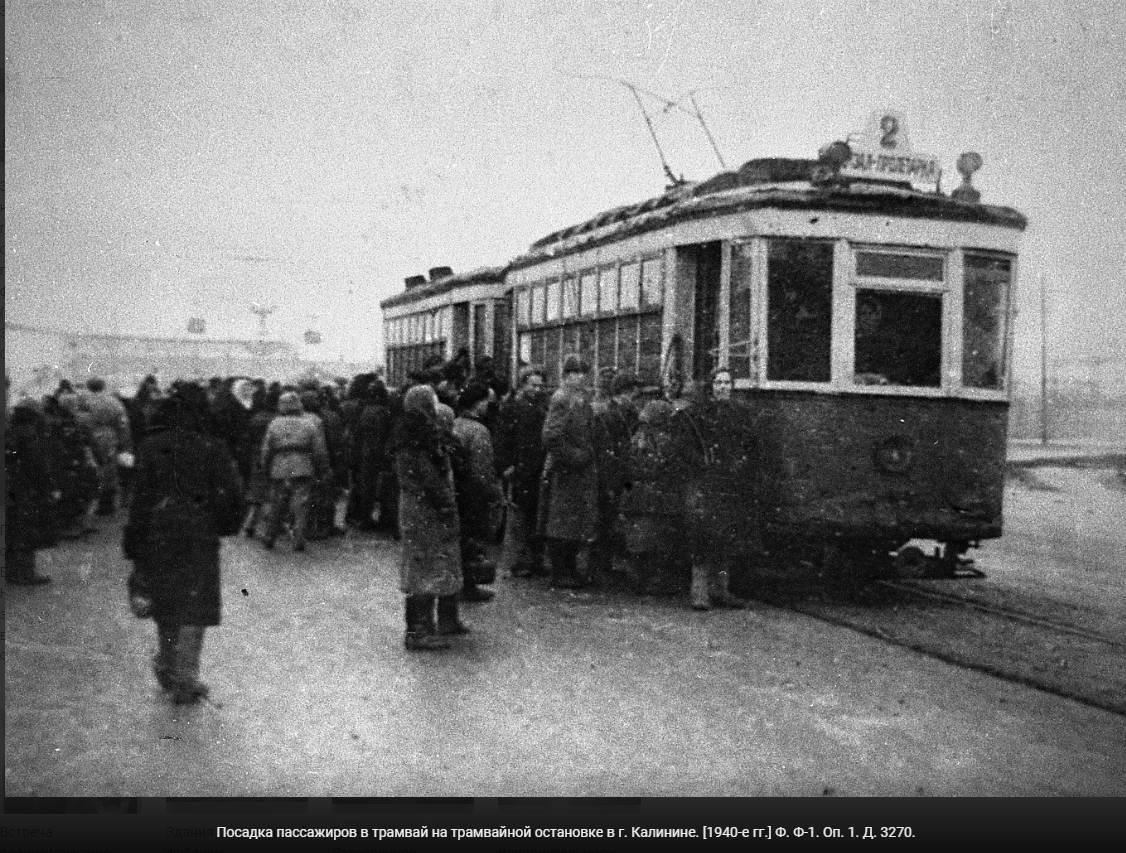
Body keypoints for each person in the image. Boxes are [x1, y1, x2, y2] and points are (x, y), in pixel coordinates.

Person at [122, 385, 244, 704]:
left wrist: (135, 541)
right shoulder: (213, 446)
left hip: (159, 529)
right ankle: (185, 678)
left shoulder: (150, 446)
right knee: (195, 603)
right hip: (199, 531)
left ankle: (168, 666)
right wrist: (223, 524)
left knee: (165, 600)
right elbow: (232, 494)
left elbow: (139, 500)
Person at [393, 384, 466, 650]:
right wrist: (447, 506)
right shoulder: (421, 440)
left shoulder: (407, 435)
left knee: (423, 565)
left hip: (415, 509)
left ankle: (422, 627)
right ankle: (418, 630)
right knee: (425, 567)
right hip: (427, 511)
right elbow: (432, 480)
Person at [679, 368, 755, 610]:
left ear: (733, 386)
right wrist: (701, 463)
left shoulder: (741, 414)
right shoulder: (699, 414)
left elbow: (751, 444)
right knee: (702, 536)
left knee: (726, 537)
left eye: (727, 383)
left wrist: (742, 462)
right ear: (712, 387)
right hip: (706, 482)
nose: (723, 387)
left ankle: (721, 590)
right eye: (718, 383)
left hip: (730, 482)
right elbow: (685, 446)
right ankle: (699, 593)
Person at [619, 398, 693, 595]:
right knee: (657, 542)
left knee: (639, 542)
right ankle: (653, 581)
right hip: (657, 498)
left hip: (636, 497)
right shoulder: (663, 440)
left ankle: (639, 579)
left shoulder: (637, 437)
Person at [538, 354, 599, 589]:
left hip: (578, 471)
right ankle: (561, 571)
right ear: (567, 376)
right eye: (577, 373)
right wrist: (576, 456)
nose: (582, 377)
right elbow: (551, 436)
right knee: (561, 522)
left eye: (583, 373)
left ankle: (568, 569)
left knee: (573, 522)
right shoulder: (562, 398)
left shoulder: (579, 398)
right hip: (565, 471)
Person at [495, 366, 549, 578]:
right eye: (532, 385)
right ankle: (518, 560)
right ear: (523, 384)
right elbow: (502, 439)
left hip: (535, 468)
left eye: (540, 386)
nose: (537, 389)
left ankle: (534, 558)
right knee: (519, 517)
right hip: (519, 469)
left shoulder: (541, 408)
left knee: (535, 514)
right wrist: (506, 466)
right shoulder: (512, 408)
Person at [258, 391, 329, 552]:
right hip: (302, 465)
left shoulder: (274, 424)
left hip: (279, 466)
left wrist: (265, 466)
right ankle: (298, 540)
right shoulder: (309, 424)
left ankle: (270, 536)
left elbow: (266, 449)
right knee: (301, 506)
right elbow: (319, 450)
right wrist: (322, 468)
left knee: (277, 503)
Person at [453, 382, 504, 602]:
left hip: (458, 490)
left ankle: (459, 583)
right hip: (474, 494)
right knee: (475, 538)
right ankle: (470, 585)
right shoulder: (479, 431)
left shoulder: (455, 424)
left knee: (460, 538)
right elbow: (482, 469)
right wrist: (492, 494)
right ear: (478, 403)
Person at [5, 395, 58, 585]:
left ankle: (11, 571)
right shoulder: (29, 435)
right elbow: (38, 467)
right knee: (26, 531)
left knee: (12, 530)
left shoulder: (10, 432)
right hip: (25, 490)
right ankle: (25, 573)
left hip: (11, 487)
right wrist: (48, 488)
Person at [82, 377, 133, 515]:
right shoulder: (113, 402)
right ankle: (107, 503)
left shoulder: (83, 400)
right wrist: (125, 443)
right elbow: (123, 424)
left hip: (88, 438)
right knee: (109, 471)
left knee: (90, 469)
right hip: (110, 438)